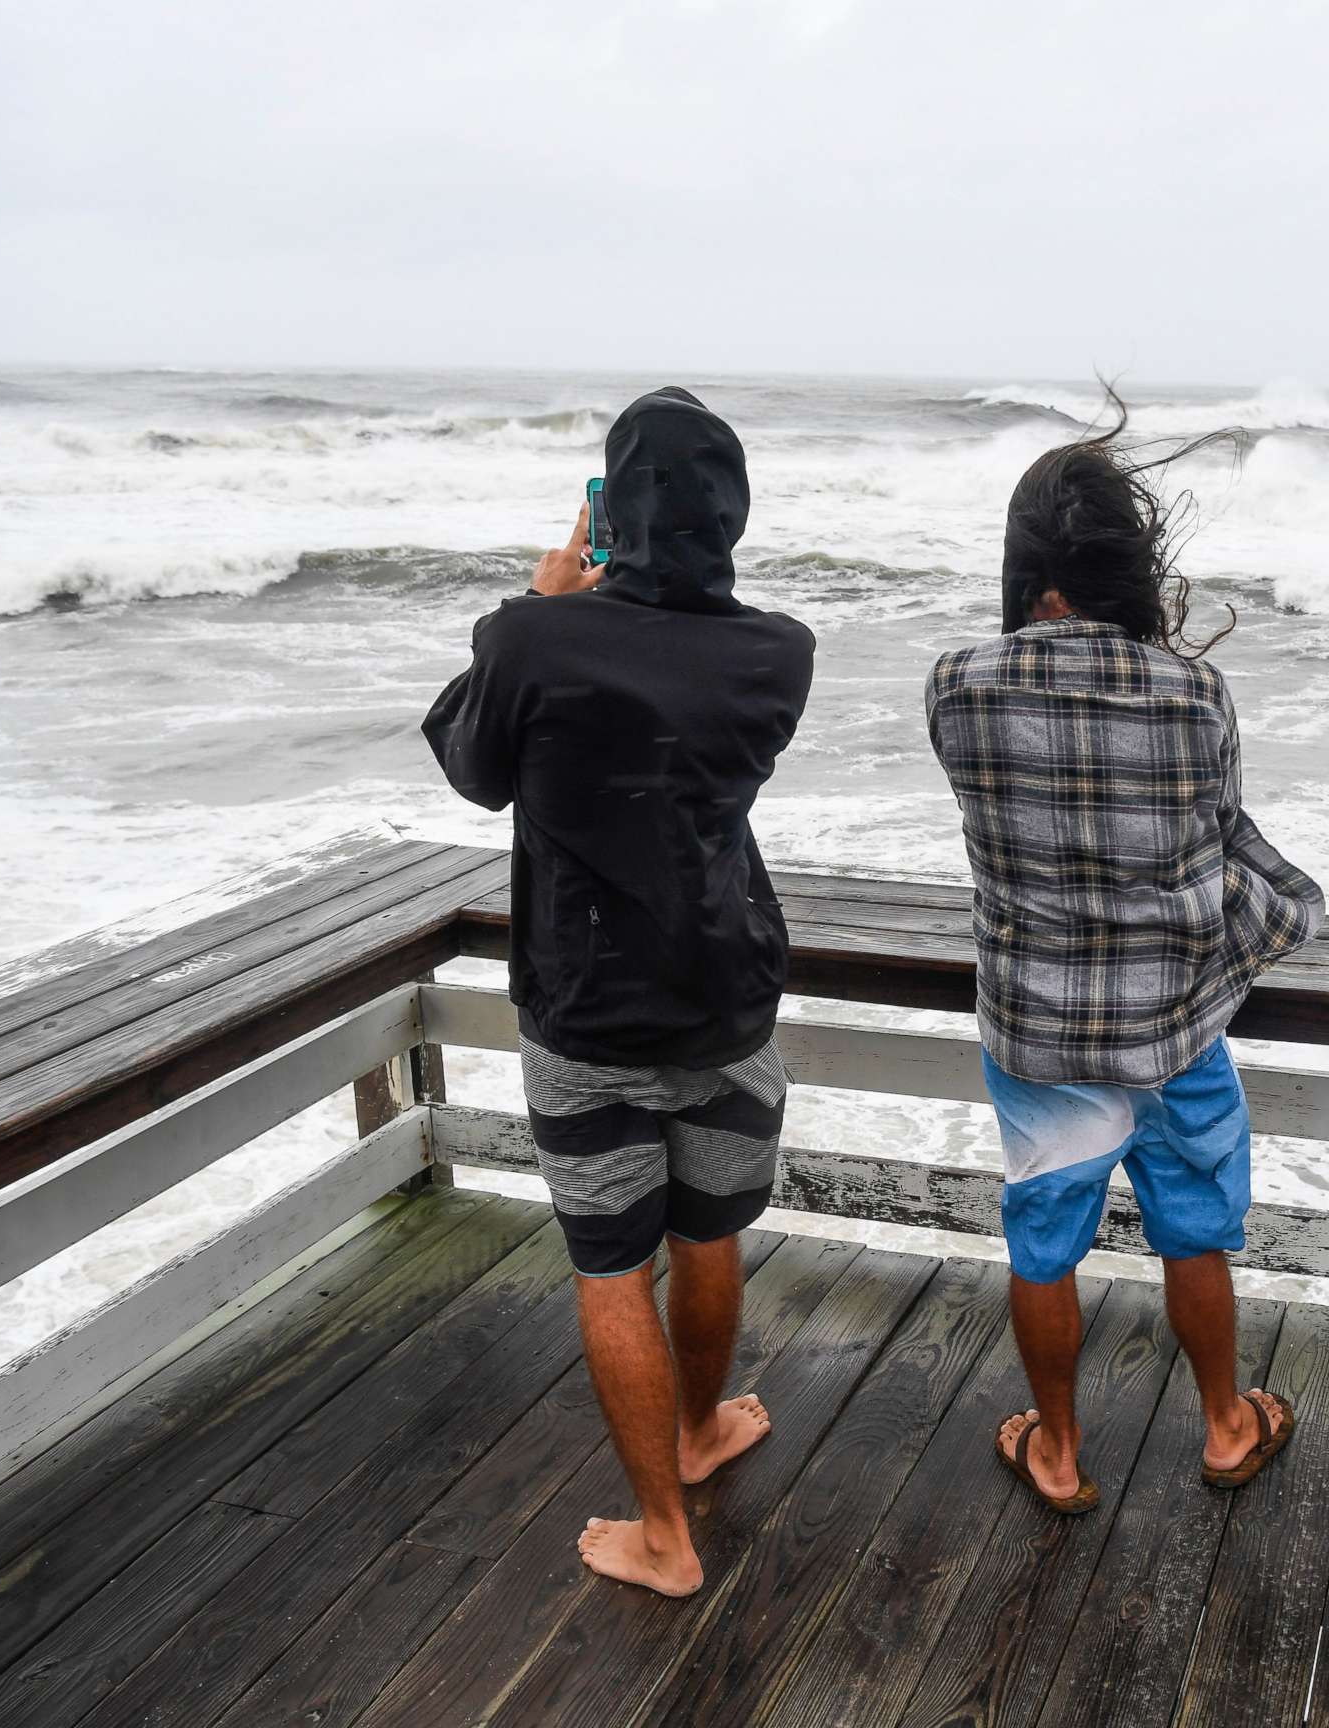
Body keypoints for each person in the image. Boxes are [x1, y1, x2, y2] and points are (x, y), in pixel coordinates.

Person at [423, 386, 813, 1596]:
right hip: (726, 992)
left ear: (612, 514)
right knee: (708, 1231)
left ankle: (664, 1533)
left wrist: (540, 610)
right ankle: (699, 1433)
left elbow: (471, 767)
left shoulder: (533, 637)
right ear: (730, 519)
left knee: (609, 1266)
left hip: (584, 1006)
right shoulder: (778, 653)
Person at [925, 398, 1324, 1513]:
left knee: (1045, 1239)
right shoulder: (1197, 694)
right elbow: (1220, 836)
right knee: (1193, 1225)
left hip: (1038, 1033)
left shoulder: (956, 685)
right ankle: (1224, 1427)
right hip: (1173, 1026)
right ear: (1132, 565)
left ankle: (1055, 1449)